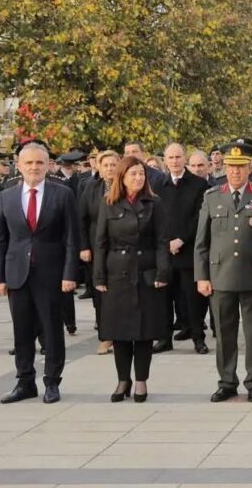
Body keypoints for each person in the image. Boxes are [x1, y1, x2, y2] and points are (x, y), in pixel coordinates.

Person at [194, 140, 252, 403]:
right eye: (231, 166)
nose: (235, 172)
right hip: (220, 276)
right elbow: (202, 242)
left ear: (250, 167)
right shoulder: (212, 197)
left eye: (241, 167)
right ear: (224, 167)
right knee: (224, 333)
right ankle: (227, 382)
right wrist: (201, 276)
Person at [0, 142, 80, 404]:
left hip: (51, 274)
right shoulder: (6, 196)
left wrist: (69, 274)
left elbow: (71, 239)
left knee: (52, 330)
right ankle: (25, 381)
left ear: (48, 165)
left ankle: (52, 382)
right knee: (22, 331)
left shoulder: (62, 194)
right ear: (18, 166)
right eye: (28, 163)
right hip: (17, 274)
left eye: (39, 162)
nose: (34, 167)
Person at [93, 156, 170, 403]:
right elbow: (101, 242)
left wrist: (162, 271)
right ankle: (122, 379)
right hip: (117, 273)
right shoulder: (109, 203)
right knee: (120, 332)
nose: (138, 178)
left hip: (145, 272)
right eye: (133, 174)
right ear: (122, 177)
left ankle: (140, 381)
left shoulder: (154, 203)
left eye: (141, 174)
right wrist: (99, 275)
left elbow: (161, 241)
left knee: (144, 332)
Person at [157, 143, 210, 355]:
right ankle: (164, 338)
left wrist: (181, 240)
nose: (174, 161)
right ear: (165, 160)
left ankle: (198, 337)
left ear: (184, 159)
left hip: (188, 250)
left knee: (192, 298)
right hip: (165, 251)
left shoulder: (198, 185)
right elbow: (156, 217)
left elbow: (200, 217)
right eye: (170, 158)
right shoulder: (157, 184)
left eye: (178, 157)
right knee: (164, 298)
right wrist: (167, 242)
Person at [78, 151, 120, 355]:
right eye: (106, 165)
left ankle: (121, 334)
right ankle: (105, 336)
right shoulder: (90, 188)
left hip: (122, 249)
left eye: (114, 165)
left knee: (120, 293)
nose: (110, 169)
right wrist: (84, 246)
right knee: (100, 294)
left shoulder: (128, 187)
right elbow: (82, 219)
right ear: (99, 168)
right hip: (97, 249)